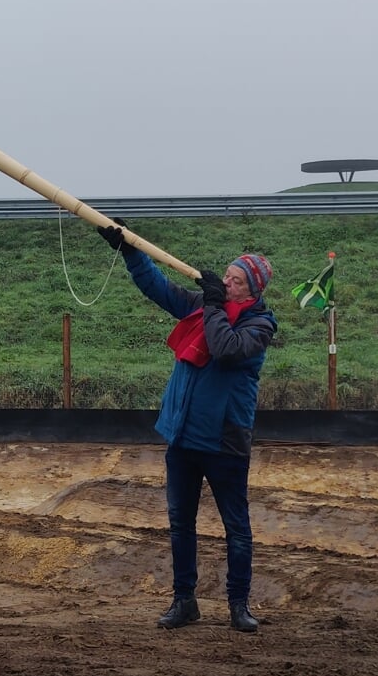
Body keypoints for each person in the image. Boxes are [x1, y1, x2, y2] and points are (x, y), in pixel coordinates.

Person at [99, 222, 276, 633]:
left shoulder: (259, 326)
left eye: (234, 279)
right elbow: (158, 289)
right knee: (181, 524)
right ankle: (184, 601)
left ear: (251, 290)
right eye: (226, 275)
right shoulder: (203, 305)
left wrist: (213, 305)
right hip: (182, 437)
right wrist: (130, 251)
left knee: (236, 528)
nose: (226, 280)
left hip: (225, 442)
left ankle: (238, 605)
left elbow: (226, 350)